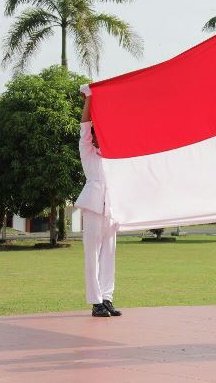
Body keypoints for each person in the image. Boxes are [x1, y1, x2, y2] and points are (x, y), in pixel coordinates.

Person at [75, 91, 122, 318]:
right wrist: (89, 99)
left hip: (112, 209)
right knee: (92, 255)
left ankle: (107, 298)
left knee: (109, 255)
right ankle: (95, 302)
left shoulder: (114, 157)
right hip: (93, 207)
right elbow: (84, 127)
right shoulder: (88, 152)